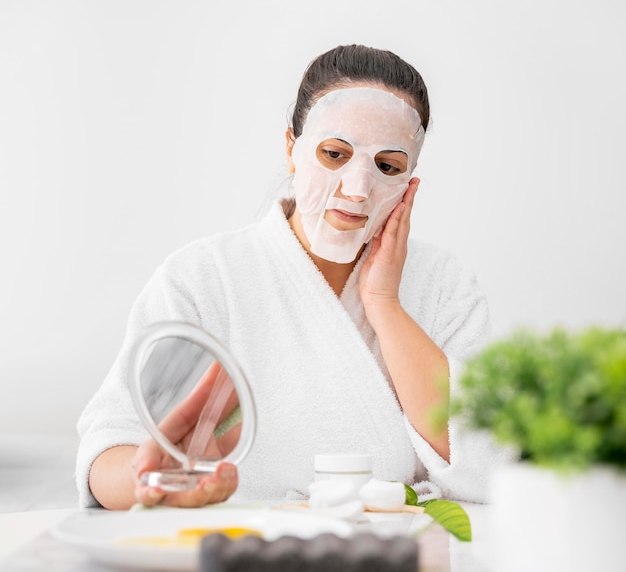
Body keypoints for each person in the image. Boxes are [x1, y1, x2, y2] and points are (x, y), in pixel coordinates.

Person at [77, 44, 512, 510]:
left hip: (398, 558)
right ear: (292, 148)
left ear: (410, 181)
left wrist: (384, 303)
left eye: (387, 166)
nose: (357, 189)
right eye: (334, 154)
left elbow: (486, 466)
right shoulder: (202, 277)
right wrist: (159, 481)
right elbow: (108, 450)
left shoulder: (443, 285)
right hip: (237, 552)